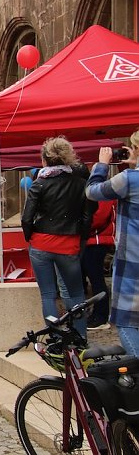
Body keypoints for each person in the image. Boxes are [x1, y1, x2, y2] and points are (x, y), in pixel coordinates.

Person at [21, 137, 94, 339]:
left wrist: (31, 237)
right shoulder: (80, 184)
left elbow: (27, 218)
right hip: (69, 242)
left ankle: (56, 337)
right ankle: (80, 337)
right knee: (75, 293)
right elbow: (88, 216)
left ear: (44, 159)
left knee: (48, 294)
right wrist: (81, 239)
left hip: (41, 242)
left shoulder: (39, 184)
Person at [86, 137, 139, 353]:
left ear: (135, 148)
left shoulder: (130, 179)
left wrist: (102, 164)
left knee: (126, 321)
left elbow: (92, 191)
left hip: (133, 263)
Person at [82, 198, 116, 330]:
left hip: (97, 240)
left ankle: (101, 316)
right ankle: (98, 313)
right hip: (95, 239)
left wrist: (82, 225)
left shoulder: (103, 194)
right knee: (95, 279)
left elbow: (98, 218)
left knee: (97, 280)